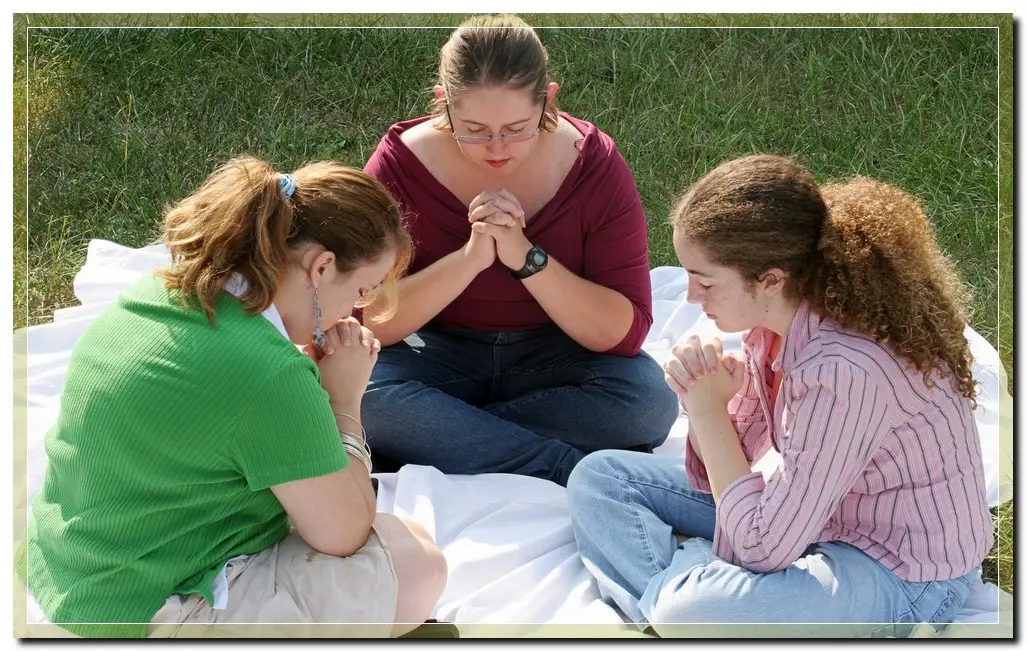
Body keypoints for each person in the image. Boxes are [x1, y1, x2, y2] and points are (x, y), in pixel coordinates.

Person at [17, 156, 447, 638]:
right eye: (362, 290)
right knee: (416, 562)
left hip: (67, 569)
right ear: (322, 267)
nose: (356, 310)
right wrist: (343, 402)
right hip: (139, 611)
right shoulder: (269, 372)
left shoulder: (160, 291)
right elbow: (342, 533)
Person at [566, 154, 994, 636]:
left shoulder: (842, 373)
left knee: (689, 612)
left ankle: (678, 603)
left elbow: (758, 548)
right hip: (813, 518)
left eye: (705, 281)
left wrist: (706, 412)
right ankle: (686, 595)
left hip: (902, 571)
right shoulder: (771, 329)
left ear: (771, 279)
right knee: (600, 478)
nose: (688, 297)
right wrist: (716, 408)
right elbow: (730, 475)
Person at [359, 14, 678, 486]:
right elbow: (365, 317)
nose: (496, 148)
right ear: (442, 104)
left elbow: (623, 334)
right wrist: (470, 259)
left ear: (547, 99)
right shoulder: (400, 166)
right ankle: (561, 466)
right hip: (435, 350)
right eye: (473, 128)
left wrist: (526, 257)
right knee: (360, 393)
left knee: (649, 401)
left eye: (516, 128)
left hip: (555, 354)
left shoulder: (595, 165)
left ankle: (443, 432)